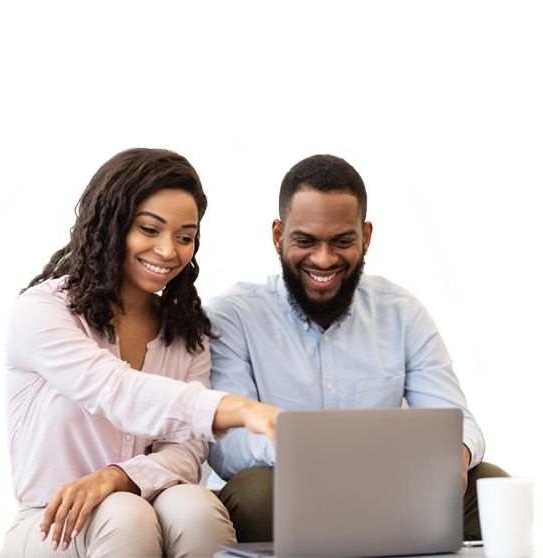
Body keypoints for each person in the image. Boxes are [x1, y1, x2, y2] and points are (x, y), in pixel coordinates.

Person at [206, 154, 509, 542]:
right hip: (287, 490)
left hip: (387, 490)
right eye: (305, 240)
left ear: (365, 237)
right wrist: (322, 454)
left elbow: (457, 421)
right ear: (279, 236)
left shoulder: (402, 313)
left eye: (342, 241)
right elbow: (227, 446)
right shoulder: (232, 317)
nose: (323, 259)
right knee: (255, 494)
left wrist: (455, 455)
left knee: (488, 483)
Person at [1, 148, 280, 558]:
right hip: (50, 523)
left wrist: (120, 477)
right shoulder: (43, 311)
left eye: (185, 237)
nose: (169, 251)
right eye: (150, 229)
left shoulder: (186, 332)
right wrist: (241, 410)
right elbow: (115, 389)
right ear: (111, 226)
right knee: (124, 515)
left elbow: (186, 451)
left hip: (146, 506)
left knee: (197, 508)